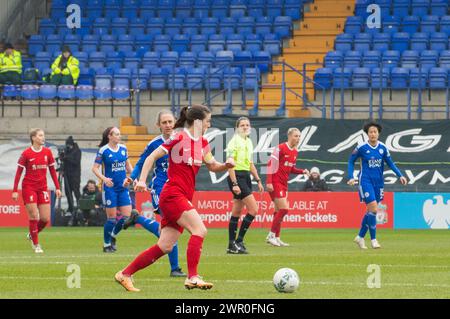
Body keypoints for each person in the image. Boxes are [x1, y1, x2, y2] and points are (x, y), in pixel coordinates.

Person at [115, 104, 235, 292]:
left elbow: (212, 165)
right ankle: (192, 277)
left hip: (182, 196)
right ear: (197, 121)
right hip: (172, 194)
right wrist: (141, 181)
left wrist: (226, 165)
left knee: (165, 245)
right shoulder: (179, 138)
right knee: (200, 230)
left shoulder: (203, 143)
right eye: (207, 121)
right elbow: (151, 157)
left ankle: (125, 274)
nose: (209, 125)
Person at [123, 110, 186, 278]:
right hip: (160, 189)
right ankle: (175, 268)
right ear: (158, 125)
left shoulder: (181, 140)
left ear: (175, 122)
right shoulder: (154, 144)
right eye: (164, 122)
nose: (167, 125)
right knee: (171, 226)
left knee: (165, 230)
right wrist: (133, 178)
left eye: (170, 122)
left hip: (177, 188)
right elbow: (142, 163)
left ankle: (138, 219)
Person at [348, 122, 408, 250]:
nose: (373, 134)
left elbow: (390, 163)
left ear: (378, 133)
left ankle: (360, 237)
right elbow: (350, 161)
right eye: (370, 132)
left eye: (375, 132)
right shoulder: (362, 147)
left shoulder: (383, 148)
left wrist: (400, 175)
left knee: (370, 211)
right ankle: (374, 240)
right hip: (365, 181)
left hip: (379, 182)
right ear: (367, 134)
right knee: (374, 210)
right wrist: (351, 177)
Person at [12, 128, 62, 253]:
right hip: (29, 187)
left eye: (43, 135)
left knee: (45, 218)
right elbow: (18, 173)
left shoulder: (47, 152)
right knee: (34, 215)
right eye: (40, 135)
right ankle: (36, 244)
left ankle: (31, 234)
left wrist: (57, 187)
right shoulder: (26, 153)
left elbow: (52, 171)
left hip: (42, 188)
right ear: (33, 138)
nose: (43, 138)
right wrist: (14, 190)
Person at [225, 117, 264, 255]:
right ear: (237, 128)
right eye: (242, 125)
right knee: (253, 209)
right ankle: (239, 241)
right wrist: (234, 183)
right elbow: (230, 164)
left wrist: (258, 180)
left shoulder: (248, 141)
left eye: (247, 125)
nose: (245, 127)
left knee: (236, 211)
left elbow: (251, 163)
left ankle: (231, 245)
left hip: (246, 176)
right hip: (237, 176)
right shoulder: (234, 141)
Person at [92, 127, 133, 253]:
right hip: (110, 189)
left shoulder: (123, 148)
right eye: (116, 134)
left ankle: (113, 235)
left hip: (123, 187)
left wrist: (134, 178)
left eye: (119, 134)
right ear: (109, 136)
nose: (119, 136)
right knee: (111, 218)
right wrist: (104, 179)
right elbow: (95, 168)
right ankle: (106, 244)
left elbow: (127, 165)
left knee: (127, 217)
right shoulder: (103, 150)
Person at [266, 128, 309, 247]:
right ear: (289, 136)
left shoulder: (295, 152)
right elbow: (270, 164)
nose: (298, 138)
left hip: (284, 184)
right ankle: (270, 235)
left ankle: (277, 238)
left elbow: (291, 169)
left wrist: (302, 171)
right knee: (284, 209)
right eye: (296, 136)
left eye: (299, 136)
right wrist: (269, 182)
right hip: (275, 182)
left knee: (277, 211)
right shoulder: (280, 148)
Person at [62, 136, 82, 216]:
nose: (68, 146)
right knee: (68, 192)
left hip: (75, 175)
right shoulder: (66, 151)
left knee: (76, 192)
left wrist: (67, 158)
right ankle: (70, 208)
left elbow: (76, 162)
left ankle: (80, 207)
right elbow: (64, 161)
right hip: (67, 175)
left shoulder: (77, 151)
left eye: (69, 145)